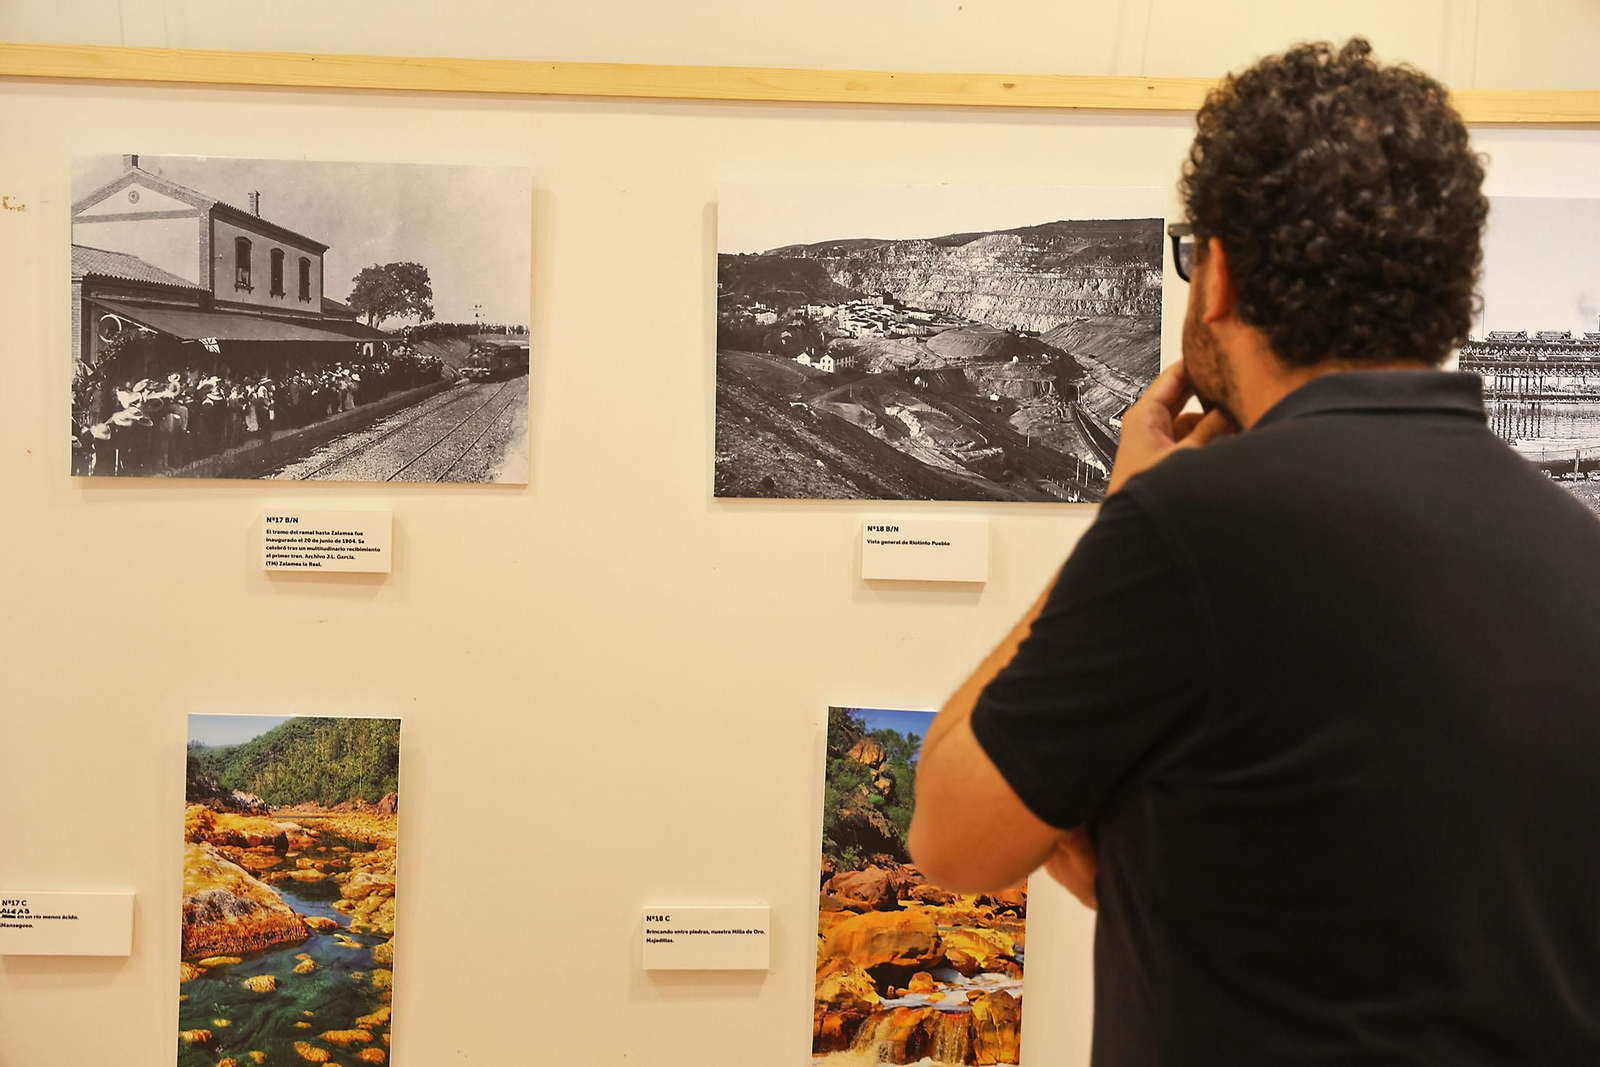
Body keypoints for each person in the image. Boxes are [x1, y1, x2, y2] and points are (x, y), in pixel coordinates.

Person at [907, 38, 1600, 1065]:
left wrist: (1124, 513)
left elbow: (953, 835)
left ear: (1219, 273)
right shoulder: (1577, 548)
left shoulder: (1188, 528)